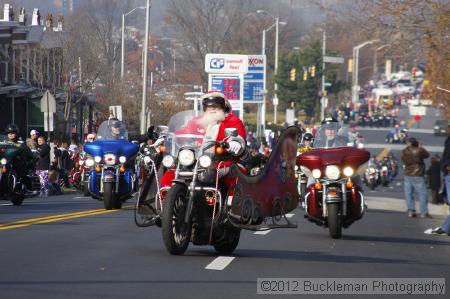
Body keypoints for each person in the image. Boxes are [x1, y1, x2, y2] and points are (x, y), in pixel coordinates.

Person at [400, 137, 430, 218]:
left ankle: (411, 210)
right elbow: (427, 155)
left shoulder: (404, 151)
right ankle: (424, 212)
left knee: (408, 194)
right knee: (422, 194)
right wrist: (420, 147)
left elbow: (402, 159)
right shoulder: (419, 150)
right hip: (418, 174)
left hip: (408, 174)